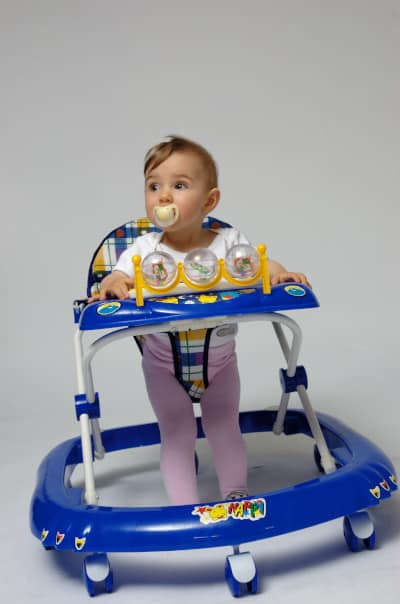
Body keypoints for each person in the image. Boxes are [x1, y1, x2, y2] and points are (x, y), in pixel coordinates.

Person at [95, 135, 309, 505]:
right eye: (154, 186)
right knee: (177, 433)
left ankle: (236, 497)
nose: (163, 196)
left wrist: (279, 274)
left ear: (208, 201)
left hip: (221, 364)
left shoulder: (228, 244)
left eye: (179, 186)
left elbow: (258, 265)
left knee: (224, 428)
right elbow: (116, 277)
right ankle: (185, 509)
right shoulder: (144, 250)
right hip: (164, 366)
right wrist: (113, 283)